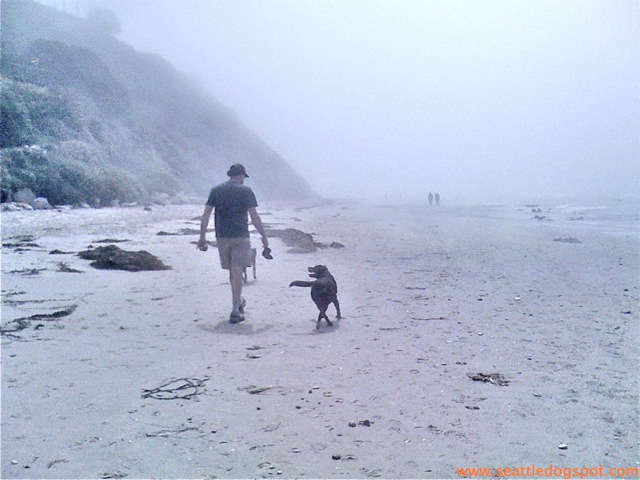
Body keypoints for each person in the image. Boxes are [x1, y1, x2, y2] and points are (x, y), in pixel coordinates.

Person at [197, 163, 269, 324]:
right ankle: (236, 306)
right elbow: (254, 216)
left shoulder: (216, 190)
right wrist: (264, 237)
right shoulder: (246, 191)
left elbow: (206, 214)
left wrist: (202, 237)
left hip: (222, 237)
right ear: (242, 176)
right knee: (236, 271)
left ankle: (237, 303)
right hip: (241, 236)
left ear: (230, 175)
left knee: (233, 271)